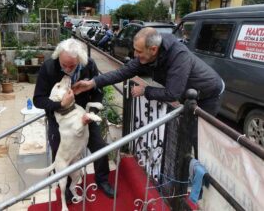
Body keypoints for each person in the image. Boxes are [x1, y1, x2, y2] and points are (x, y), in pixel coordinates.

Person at [72, 27, 225, 156]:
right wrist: (92, 83)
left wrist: (146, 90)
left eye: (138, 51)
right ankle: (182, 168)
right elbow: (122, 73)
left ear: (153, 49)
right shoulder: (147, 56)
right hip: (188, 94)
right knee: (183, 133)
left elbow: (172, 94)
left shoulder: (178, 56)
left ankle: (196, 176)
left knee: (196, 137)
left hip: (208, 94)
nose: (135, 55)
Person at [33, 38, 115, 199]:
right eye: (64, 65)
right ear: (58, 58)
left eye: (73, 66)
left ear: (80, 61)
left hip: (83, 114)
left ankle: (102, 180)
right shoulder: (49, 67)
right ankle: (66, 191)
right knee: (61, 154)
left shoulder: (88, 64)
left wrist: (93, 112)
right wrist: (61, 104)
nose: (68, 69)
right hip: (60, 119)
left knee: (100, 146)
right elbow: (38, 99)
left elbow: (98, 90)